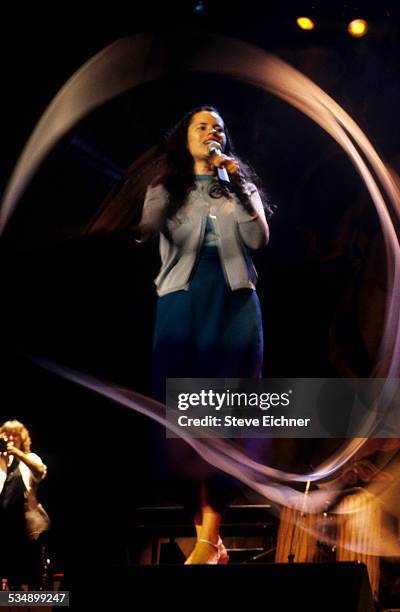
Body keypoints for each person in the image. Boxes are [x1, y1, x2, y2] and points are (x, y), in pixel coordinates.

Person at [136, 105, 273, 564]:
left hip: (233, 306)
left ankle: (206, 540)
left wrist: (235, 187)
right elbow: (151, 232)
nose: (212, 131)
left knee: (223, 424)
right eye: (202, 125)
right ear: (186, 138)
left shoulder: (238, 187)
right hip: (181, 306)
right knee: (182, 426)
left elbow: (258, 242)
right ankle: (209, 540)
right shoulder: (165, 190)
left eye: (219, 126)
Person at [0, 420, 48, 589]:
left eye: (15, 435)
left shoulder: (29, 458)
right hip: (5, 525)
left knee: (31, 573)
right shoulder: (1, 462)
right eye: (7, 435)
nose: (11, 438)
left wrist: (17, 453)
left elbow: (40, 471)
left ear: (21, 438)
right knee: (11, 575)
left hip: (26, 525)